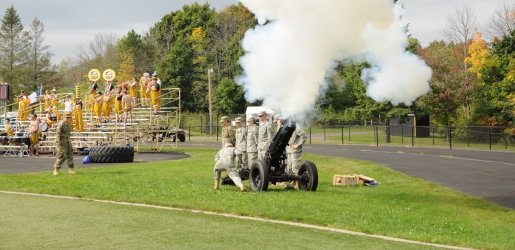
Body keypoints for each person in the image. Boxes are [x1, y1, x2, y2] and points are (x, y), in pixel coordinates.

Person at [286, 122, 307, 189]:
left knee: (295, 167)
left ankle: (298, 184)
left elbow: (304, 136)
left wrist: (298, 145)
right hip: (289, 149)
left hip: (295, 150)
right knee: (289, 167)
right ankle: (293, 183)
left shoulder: (297, 127)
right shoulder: (289, 126)